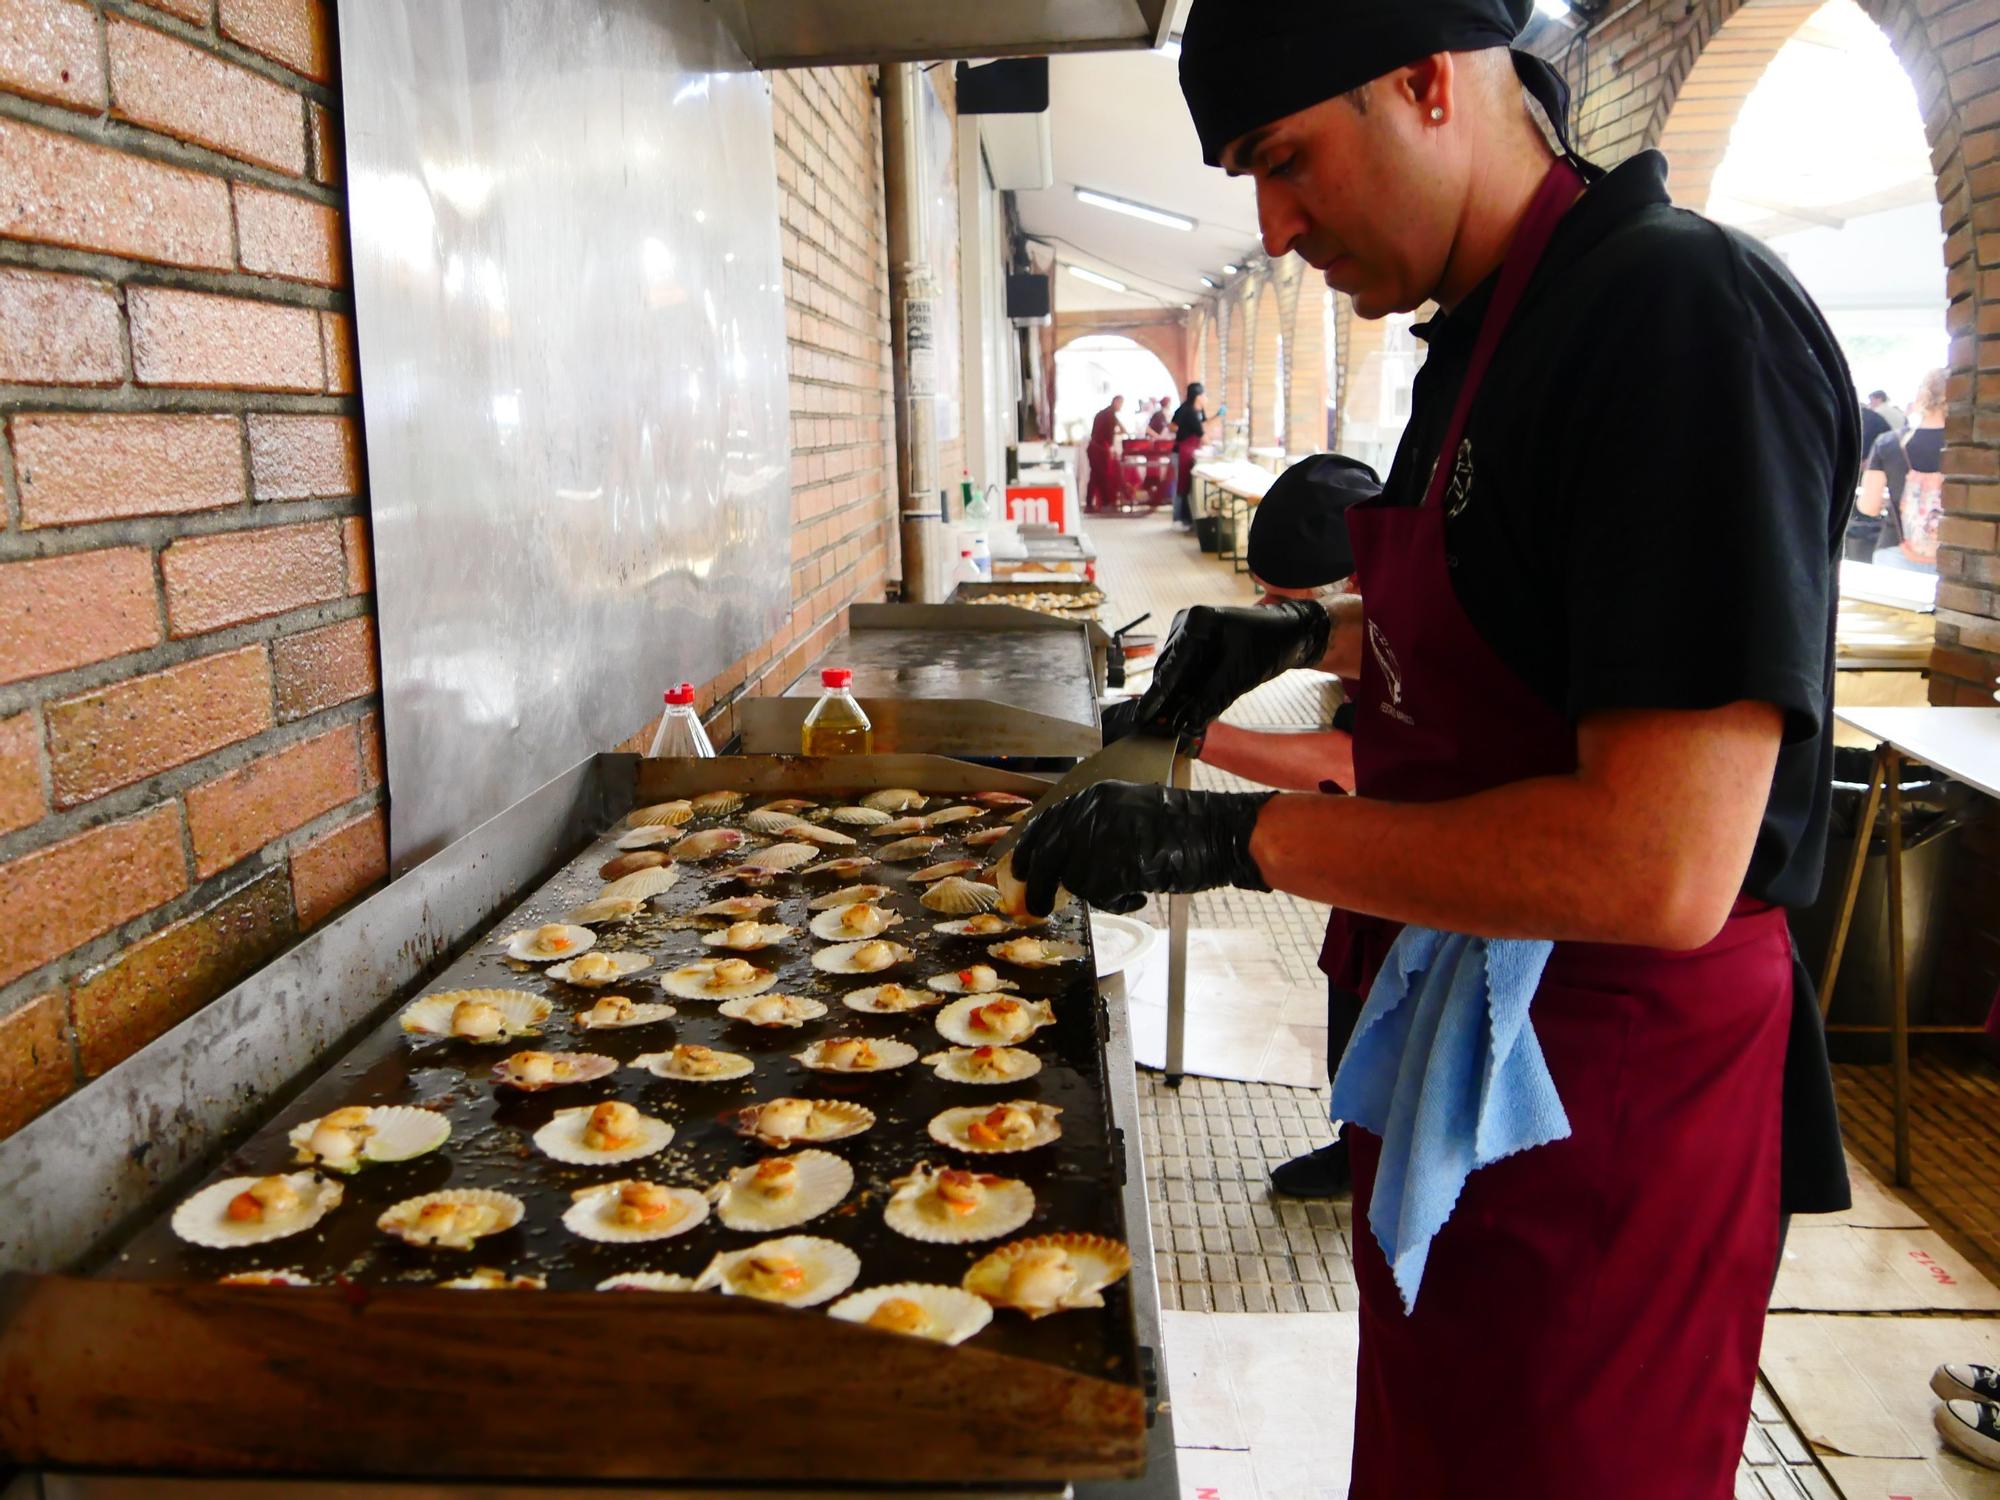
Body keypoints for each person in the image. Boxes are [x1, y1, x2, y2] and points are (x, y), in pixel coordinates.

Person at [1012, 3, 1853, 1495]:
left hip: (1612, 1102)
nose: (1273, 227)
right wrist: (1305, 635)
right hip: (1460, 1057)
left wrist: (1235, 839)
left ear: (1426, 79)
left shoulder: (1674, 320)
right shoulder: (1483, 339)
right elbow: (1515, 621)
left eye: (1286, 160)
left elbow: (1659, 861)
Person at [1858, 368, 1946, 572]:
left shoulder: (1888, 442)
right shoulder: (1973, 448)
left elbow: (1870, 506)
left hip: (1895, 553)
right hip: (1955, 558)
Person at [1170, 381, 1211, 527]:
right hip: (1181, 453)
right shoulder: (1188, 411)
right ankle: (1179, 519)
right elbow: (1202, 435)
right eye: (1204, 395)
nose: (1206, 398)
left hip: (1188, 452)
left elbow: (1204, 427)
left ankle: (1184, 519)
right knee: (1181, 487)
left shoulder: (1198, 411)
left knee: (1184, 487)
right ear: (1198, 396)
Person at [1085, 394, 1128, 511]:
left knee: (1096, 476)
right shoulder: (1109, 415)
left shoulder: (1105, 414)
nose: (1121, 407)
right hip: (1099, 449)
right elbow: (1112, 434)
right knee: (1100, 476)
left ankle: (1095, 503)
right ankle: (1104, 503)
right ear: (1116, 402)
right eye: (1121, 404)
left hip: (1095, 448)